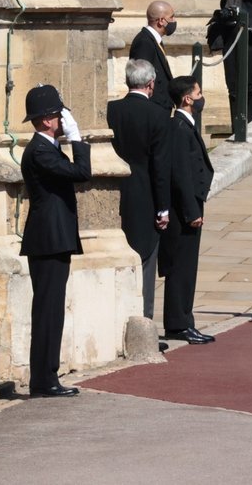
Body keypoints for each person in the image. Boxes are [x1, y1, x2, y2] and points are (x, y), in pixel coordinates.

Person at [19, 85, 91, 397]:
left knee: (51, 309)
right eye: (61, 115)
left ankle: (47, 375)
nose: (64, 120)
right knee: (48, 310)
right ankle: (44, 380)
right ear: (49, 120)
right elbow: (82, 173)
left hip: (54, 239)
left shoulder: (46, 148)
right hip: (48, 240)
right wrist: (77, 140)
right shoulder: (40, 152)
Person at [106, 59, 172, 320]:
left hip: (116, 191)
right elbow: (161, 166)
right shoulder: (158, 115)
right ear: (151, 84)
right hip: (145, 196)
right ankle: (143, 323)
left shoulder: (111, 110)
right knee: (145, 261)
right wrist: (163, 208)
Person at [159, 76, 215, 345]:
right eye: (198, 92)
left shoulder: (184, 125)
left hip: (190, 205)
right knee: (182, 266)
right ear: (187, 99)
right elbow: (180, 173)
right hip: (185, 211)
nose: (202, 97)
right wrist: (192, 211)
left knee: (187, 266)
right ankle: (179, 323)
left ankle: (184, 319)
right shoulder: (179, 128)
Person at [129, 0, 177, 113]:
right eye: (171, 17)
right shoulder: (144, 42)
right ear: (161, 21)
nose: (174, 21)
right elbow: (142, 79)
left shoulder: (153, 40)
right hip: (154, 108)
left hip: (161, 106)